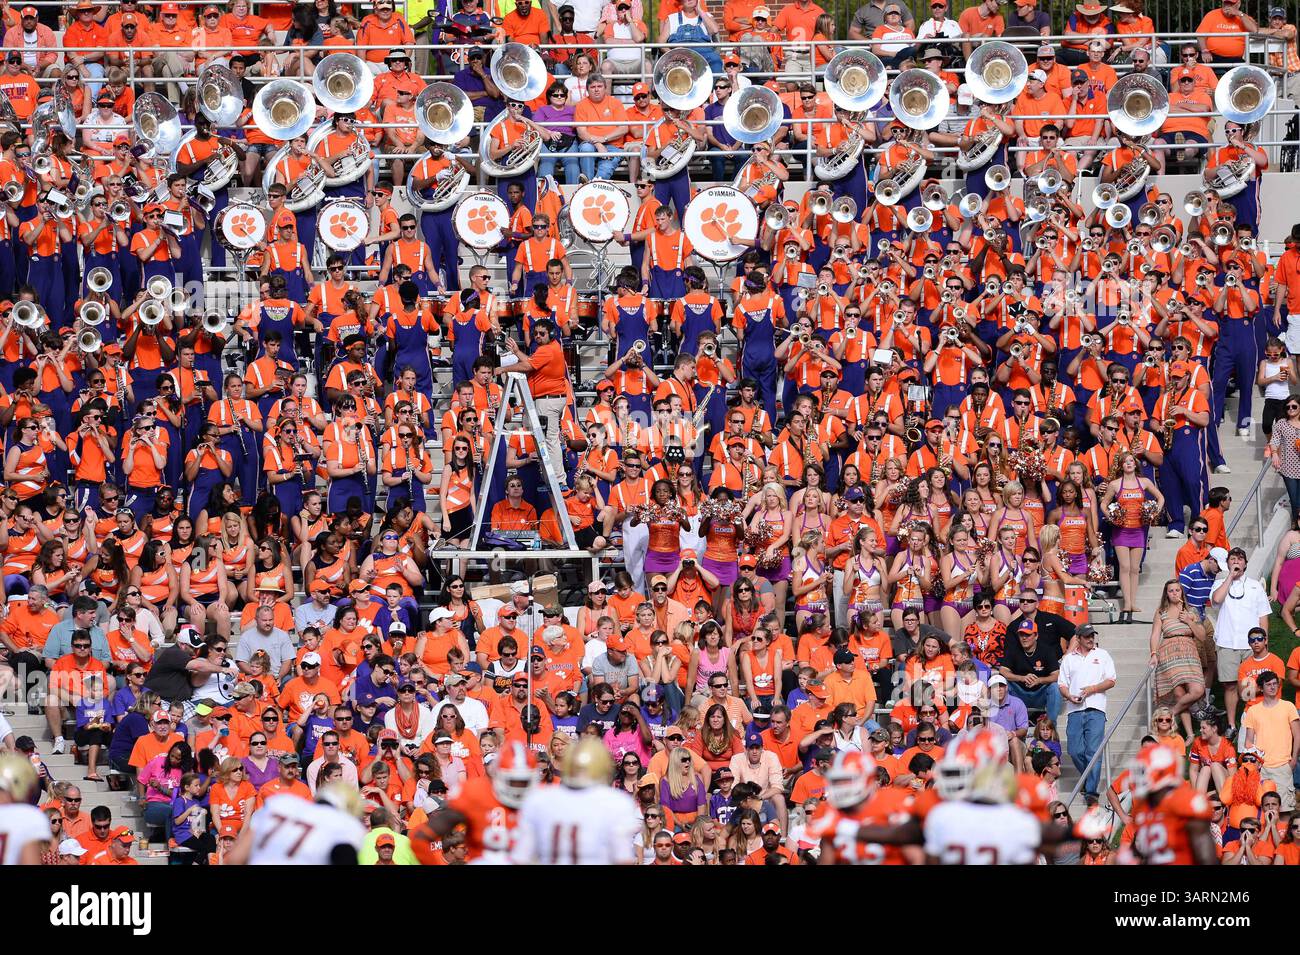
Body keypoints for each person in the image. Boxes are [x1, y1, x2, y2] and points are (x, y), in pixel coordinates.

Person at [1211, 548, 1272, 735]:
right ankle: (1231, 725)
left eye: (1239, 559)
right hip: (1227, 642)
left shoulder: (1255, 586)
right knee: (1229, 685)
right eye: (1232, 559)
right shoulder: (1220, 582)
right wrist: (1230, 577)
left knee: (1250, 684)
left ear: (1245, 563)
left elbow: (1263, 616)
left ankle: (1252, 721)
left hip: (1250, 644)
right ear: (1227, 563)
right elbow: (1216, 599)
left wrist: (1264, 642)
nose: (1236, 562)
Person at [1057, 625, 1115, 805]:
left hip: (1096, 707)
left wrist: (1092, 689)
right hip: (1074, 708)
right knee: (1074, 750)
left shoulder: (1103, 654)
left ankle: (1091, 792)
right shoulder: (1068, 659)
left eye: (1092, 635)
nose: (1091, 639)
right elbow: (1062, 684)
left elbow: (1111, 680)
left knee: (1093, 751)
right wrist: (1069, 696)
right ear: (1079, 638)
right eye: (1087, 636)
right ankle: (1087, 780)